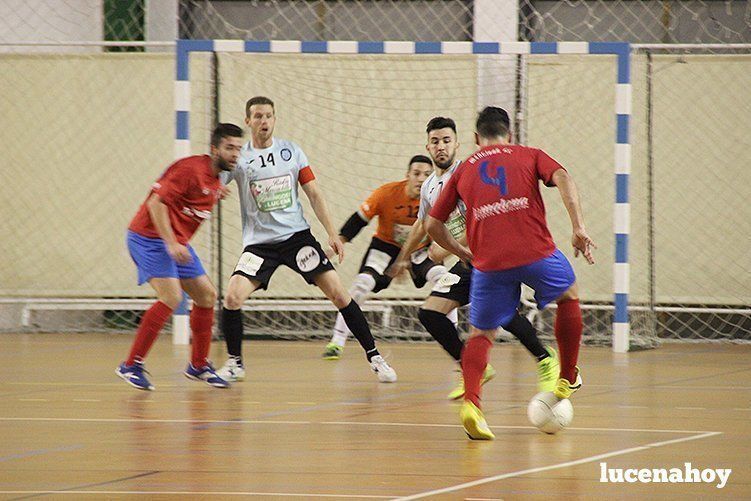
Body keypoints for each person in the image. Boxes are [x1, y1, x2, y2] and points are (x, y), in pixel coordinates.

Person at [425, 106, 595, 440]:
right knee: (569, 295)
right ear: (510, 134)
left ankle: (472, 403)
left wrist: (461, 253)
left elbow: (432, 224)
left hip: (488, 262)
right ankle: (567, 374)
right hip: (535, 251)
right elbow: (563, 176)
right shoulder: (529, 154)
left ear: (476, 138)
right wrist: (578, 226)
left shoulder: (463, 171)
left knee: (481, 334)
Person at [216, 96, 397, 383]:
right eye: (258, 116)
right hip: (259, 246)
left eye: (269, 116)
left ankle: (375, 357)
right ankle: (235, 363)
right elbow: (214, 182)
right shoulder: (239, 158)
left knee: (339, 293)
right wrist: (214, 189)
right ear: (248, 120)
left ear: (274, 119)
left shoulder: (291, 152)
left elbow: (314, 193)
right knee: (232, 296)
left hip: (297, 239)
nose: (264, 121)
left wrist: (331, 233)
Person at [388, 116, 559, 400]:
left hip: (489, 256)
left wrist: (445, 247)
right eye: (435, 142)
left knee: (505, 315)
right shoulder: (430, 185)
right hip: (465, 259)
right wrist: (403, 257)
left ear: (457, 143)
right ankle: (473, 366)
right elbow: (423, 223)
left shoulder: (470, 174)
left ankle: (545, 359)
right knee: (430, 314)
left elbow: (483, 219)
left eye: (446, 140)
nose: (441, 146)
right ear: (427, 147)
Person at [116, 123, 244, 391]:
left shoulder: (214, 178)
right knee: (172, 297)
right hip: (149, 238)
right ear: (214, 149)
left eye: (238, 149)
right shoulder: (189, 169)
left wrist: (216, 192)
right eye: (229, 148)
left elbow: (196, 195)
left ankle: (198, 365)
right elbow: (155, 204)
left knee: (206, 296)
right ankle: (130, 365)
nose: (235, 154)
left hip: (176, 242)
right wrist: (171, 242)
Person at [321, 155, 437, 359]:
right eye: (416, 174)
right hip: (386, 247)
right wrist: (339, 241)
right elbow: (359, 219)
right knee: (362, 284)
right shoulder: (387, 193)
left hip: (419, 248)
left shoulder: (436, 197)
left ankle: (456, 344)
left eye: (427, 175)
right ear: (407, 175)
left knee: (444, 280)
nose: (421, 179)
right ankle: (337, 341)